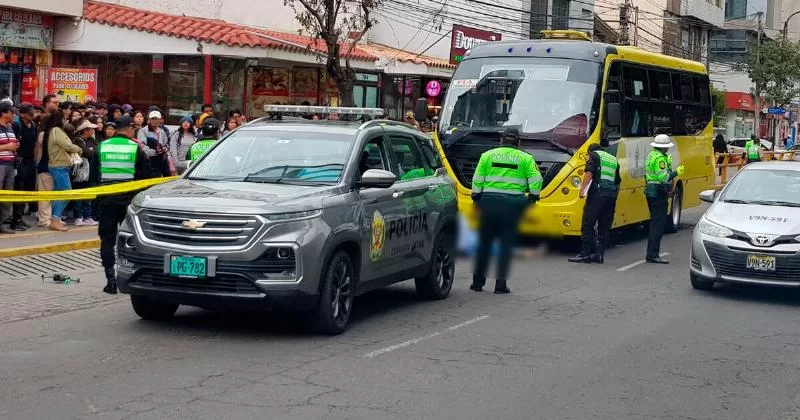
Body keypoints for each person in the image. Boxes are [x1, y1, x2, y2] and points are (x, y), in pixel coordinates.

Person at [469, 128, 542, 294]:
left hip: (489, 203)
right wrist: (532, 198)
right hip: (513, 205)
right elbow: (536, 179)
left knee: (484, 243)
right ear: (518, 142)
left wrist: (476, 198)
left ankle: (478, 283)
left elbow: (478, 178)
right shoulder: (526, 158)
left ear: (501, 139)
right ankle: (500, 285)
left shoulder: (487, 155)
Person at [97, 115, 153, 294]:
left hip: (106, 199)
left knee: (107, 240)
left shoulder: (102, 147)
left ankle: (110, 280)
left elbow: (92, 178)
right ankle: (131, 277)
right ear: (129, 129)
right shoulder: (136, 148)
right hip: (129, 201)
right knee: (131, 239)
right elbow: (146, 179)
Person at [568, 144, 621, 264]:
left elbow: (589, 173)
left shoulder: (594, 155)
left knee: (588, 222)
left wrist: (582, 190)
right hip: (611, 195)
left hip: (597, 194)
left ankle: (585, 254)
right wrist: (613, 196)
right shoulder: (613, 159)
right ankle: (599, 255)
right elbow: (618, 182)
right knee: (604, 226)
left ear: (590, 151)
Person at [644, 134, 684, 265]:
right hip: (658, 192)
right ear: (663, 147)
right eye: (666, 147)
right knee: (658, 224)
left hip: (651, 191)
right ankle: (653, 254)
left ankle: (652, 253)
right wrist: (676, 172)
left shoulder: (651, 155)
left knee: (654, 222)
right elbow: (663, 177)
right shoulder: (660, 158)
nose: (667, 149)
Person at [44, 110, 83, 232]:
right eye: (65, 118)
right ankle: (55, 219)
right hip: (59, 166)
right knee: (67, 192)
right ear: (59, 119)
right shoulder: (56, 130)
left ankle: (55, 220)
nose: (66, 120)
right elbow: (67, 146)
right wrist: (79, 149)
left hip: (60, 166)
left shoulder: (57, 131)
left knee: (58, 193)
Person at [11, 102, 37, 231]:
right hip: (20, 162)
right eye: (29, 112)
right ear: (22, 114)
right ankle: (16, 219)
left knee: (29, 188)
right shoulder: (17, 125)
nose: (32, 115)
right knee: (19, 190)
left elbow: (35, 143)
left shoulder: (33, 125)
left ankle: (20, 217)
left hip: (30, 161)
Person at [71, 119, 99, 226]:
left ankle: (88, 216)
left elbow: (96, 150)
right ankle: (78, 216)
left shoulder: (91, 140)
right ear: (85, 130)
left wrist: (91, 149)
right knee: (79, 194)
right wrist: (91, 150)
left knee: (88, 195)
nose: (93, 131)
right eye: (91, 129)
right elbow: (87, 153)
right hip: (80, 171)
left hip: (90, 172)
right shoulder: (78, 140)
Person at [0, 101, 19, 234]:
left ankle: (3, 223)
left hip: (10, 165)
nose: (14, 115)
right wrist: (8, 147)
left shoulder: (10, 127)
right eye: (11, 112)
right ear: (4, 113)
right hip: (0, 164)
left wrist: (15, 146)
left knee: (7, 196)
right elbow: (7, 146)